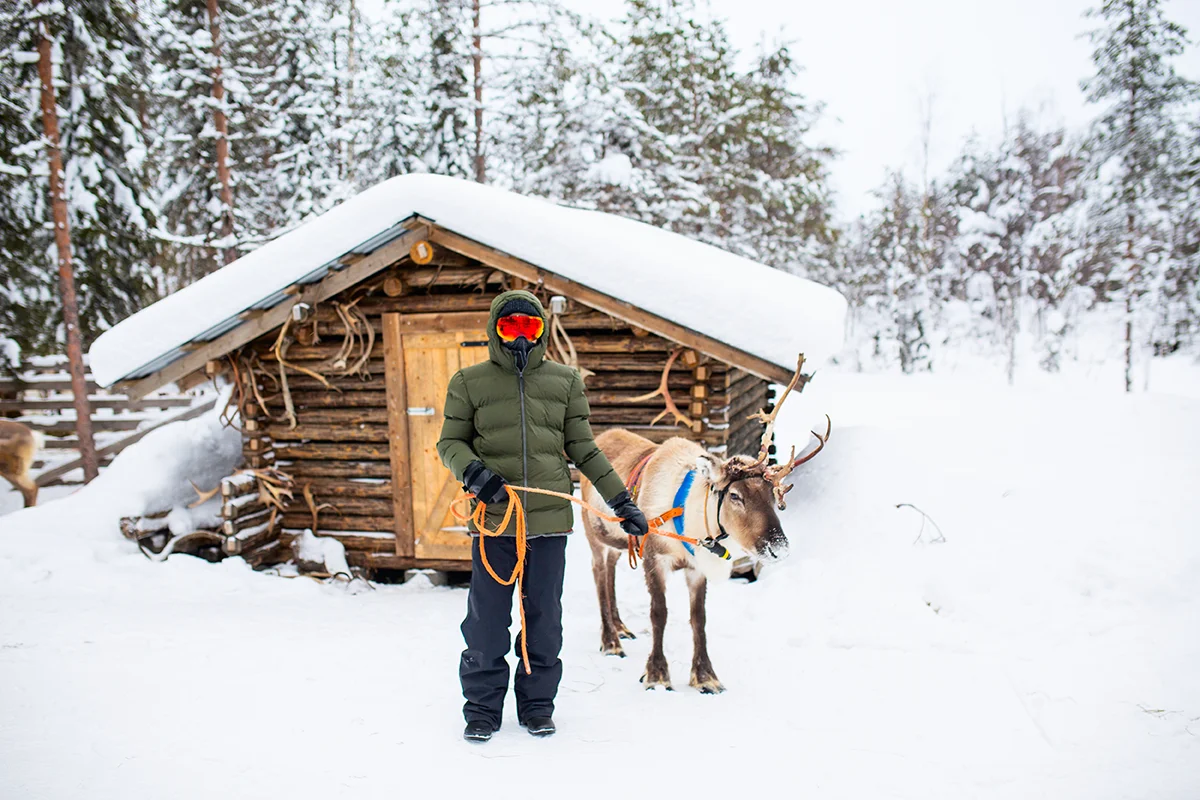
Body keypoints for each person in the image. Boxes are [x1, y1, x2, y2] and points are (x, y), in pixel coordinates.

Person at [437, 290, 649, 743]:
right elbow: (449, 443)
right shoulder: (469, 382)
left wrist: (623, 503)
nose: (519, 337)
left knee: (544, 620)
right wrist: (474, 474)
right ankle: (481, 709)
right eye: (509, 326)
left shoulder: (565, 381)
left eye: (528, 328)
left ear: (542, 332)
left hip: (549, 526)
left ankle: (536, 706)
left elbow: (585, 450)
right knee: (487, 621)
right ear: (495, 329)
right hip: (494, 521)